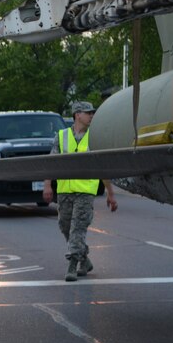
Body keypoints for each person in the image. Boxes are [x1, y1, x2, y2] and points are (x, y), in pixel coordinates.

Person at [42, 100, 118, 282]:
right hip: (65, 191)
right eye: (88, 113)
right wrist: (47, 185)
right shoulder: (61, 136)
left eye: (92, 113)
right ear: (77, 115)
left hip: (85, 192)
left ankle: (72, 265)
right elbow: (51, 163)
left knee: (77, 229)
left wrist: (110, 193)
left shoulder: (95, 137)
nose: (92, 116)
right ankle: (84, 259)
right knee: (65, 226)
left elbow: (102, 167)